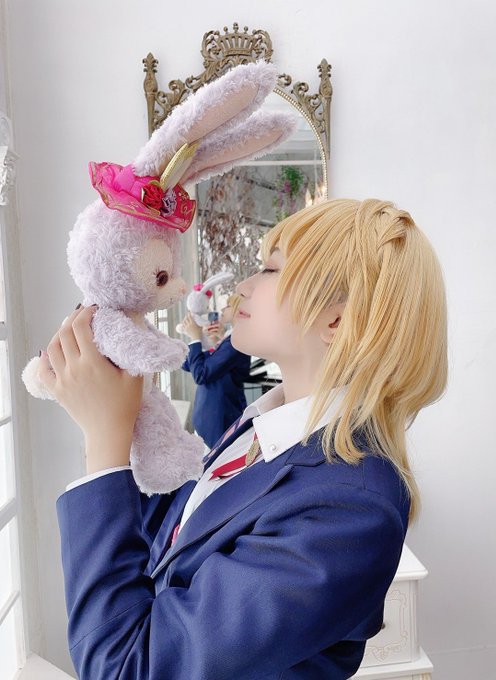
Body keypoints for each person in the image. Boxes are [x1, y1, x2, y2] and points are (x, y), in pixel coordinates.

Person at [39, 198, 447, 679]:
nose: (243, 287)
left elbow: (130, 668)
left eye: (270, 269)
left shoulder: (350, 510)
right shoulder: (264, 430)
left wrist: (104, 444)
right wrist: (125, 417)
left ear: (336, 320)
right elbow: (177, 542)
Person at [180, 294, 252, 448]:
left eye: (228, 306)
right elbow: (189, 365)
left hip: (219, 423)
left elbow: (201, 374)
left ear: (239, 311)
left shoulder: (236, 342)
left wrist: (195, 338)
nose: (223, 309)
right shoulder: (229, 341)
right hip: (214, 423)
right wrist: (209, 341)